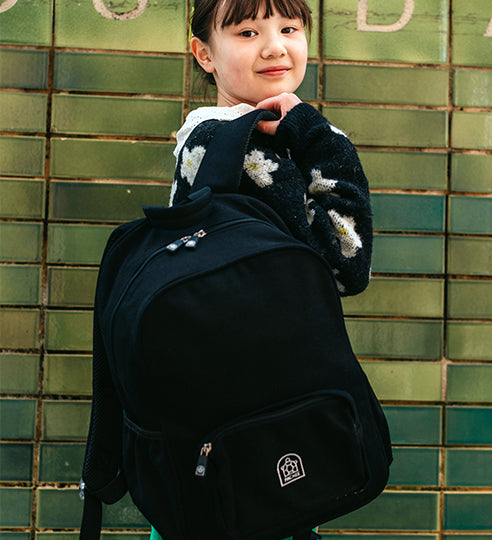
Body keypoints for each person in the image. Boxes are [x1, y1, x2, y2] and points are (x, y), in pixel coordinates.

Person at [151, 0, 373, 537]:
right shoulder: (239, 144)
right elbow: (346, 263)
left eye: (289, 28)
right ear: (204, 53)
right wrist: (316, 132)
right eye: (248, 31)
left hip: (223, 425)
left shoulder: (207, 140)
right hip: (253, 435)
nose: (275, 45)